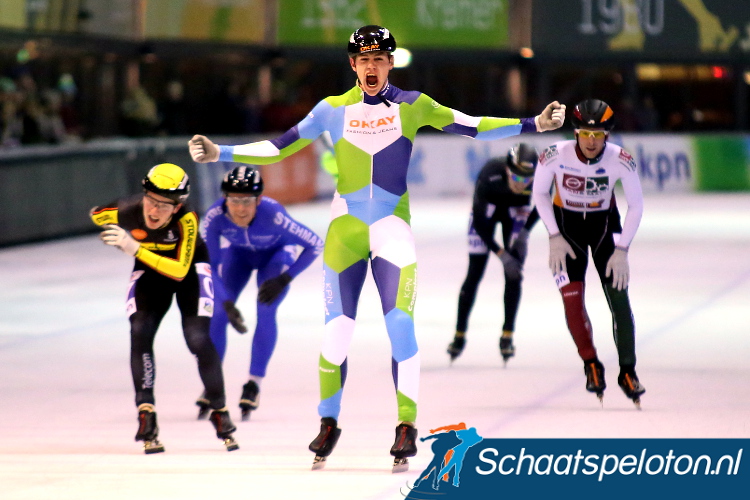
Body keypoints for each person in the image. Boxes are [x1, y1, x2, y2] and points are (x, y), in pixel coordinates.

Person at [188, 25, 566, 470]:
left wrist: (531, 124)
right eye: (364, 59)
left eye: (380, 59)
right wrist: (223, 154)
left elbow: (470, 125)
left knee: (400, 325)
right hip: (345, 231)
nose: (372, 66)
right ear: (353, 65)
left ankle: (406, 425)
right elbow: (279, 146)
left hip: (391, 228)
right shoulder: (332, 109)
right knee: (336, 335)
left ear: (390, 63)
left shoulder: (413, 105)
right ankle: (328, 422)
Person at [90, 163, 239, 453]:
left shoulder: (187, 220)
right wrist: (109, 230)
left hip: (190, 272)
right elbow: (96, 214)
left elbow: (180, 271)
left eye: (164, 206)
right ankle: (146, 415)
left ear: (178, 206)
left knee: (196, 337)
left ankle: (220, 411)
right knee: (139, 330)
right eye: (151, 200)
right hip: (150, 270)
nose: (154, 211)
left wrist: (134, 248)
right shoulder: (126, 209)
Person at [531, 99, 646, 409]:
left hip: (605, 228)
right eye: (584, 134)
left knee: (619, 301)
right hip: (567, 232)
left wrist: (622, 249)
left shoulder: (621, 158)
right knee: (572, 300)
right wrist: (553, 235)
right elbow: (539, 193)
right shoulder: (555, 154)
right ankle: (591, 364)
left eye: (598, 135)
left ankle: (628, 371)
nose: (592, 141)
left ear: (608, 135)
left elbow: (636, 205)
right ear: (576, 133)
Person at [195, 165, 323, 421]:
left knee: (265, 310)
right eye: (234, 201)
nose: (240, 208)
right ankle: (213, 382)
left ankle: (253, 383)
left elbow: (315, 244)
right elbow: (210, 267)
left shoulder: (273, 214)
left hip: (275, 257)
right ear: (224, 199)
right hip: (239, 256)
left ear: (260, 200)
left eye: (247, 201)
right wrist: (227, 303)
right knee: (218, 313)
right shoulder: (213, 217)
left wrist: (285, 278)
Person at [447, 143, 540, 366]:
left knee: (514, 273)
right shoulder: (490, 174)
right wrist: (501, 254)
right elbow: (480, 224)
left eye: (526, 180)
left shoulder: (539, 178)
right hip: (487, 215)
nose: (521, 184)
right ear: (507, 170)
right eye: (517, 178)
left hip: (515, 213)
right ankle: (459, 334)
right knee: (475, 272)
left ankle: (507, 335)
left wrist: (525, 233)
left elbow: (545, 204)